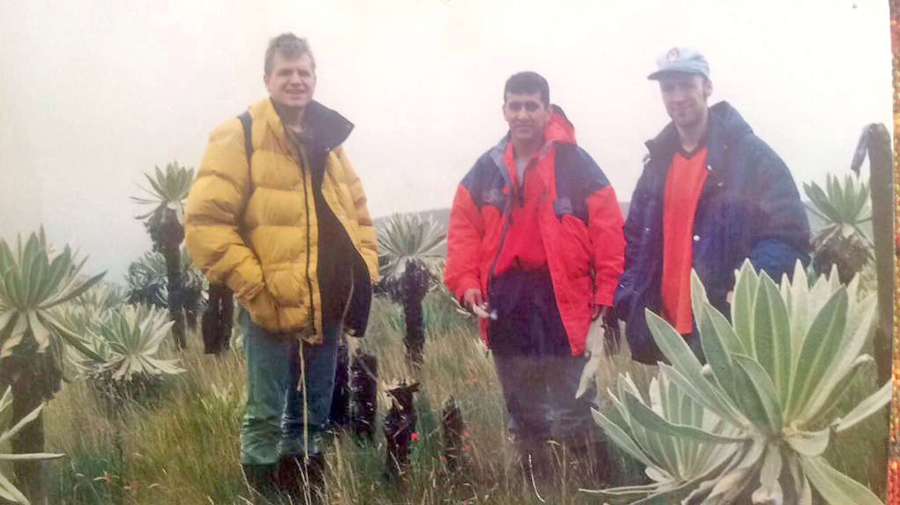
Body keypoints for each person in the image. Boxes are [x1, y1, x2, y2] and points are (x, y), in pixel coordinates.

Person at [184, 33, 379, 500]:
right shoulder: (240, 134)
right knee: (266, 414)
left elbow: (359, 213)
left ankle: (306, 493)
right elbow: (205, 223)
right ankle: (264, 496)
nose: (296, 80)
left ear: (314, 77)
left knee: (312, 414)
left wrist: (364, 271)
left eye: (303, 72)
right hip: (269, 300)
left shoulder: (330, 140)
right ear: (267, 78)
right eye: (286, 72)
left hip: (327, 298)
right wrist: (255, 286)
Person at [444, 71, 625, 480]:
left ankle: (594, 488)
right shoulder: (486, 169)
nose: (523, 114)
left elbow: (609, 229)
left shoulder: (577, 164)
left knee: (574, 405)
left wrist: (607, 292)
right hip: (507, 303)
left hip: (563, 301)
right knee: (522, 412)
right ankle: (535, 489)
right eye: (515, 105)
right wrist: (467, 284)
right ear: (504, 110)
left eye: (532, 105)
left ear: (547, 109)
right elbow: (463, 232)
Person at [615, 47, 810, 364]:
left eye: (686, 85)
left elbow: (788, 234)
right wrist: (629, 298)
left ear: (706, 86)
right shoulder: (657, 166)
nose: (678, 97)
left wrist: (748, 291)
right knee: (676, 415)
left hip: (724, 332)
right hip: (666, 334)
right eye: (668, 88)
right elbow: (633, 239)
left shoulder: (752, 157)